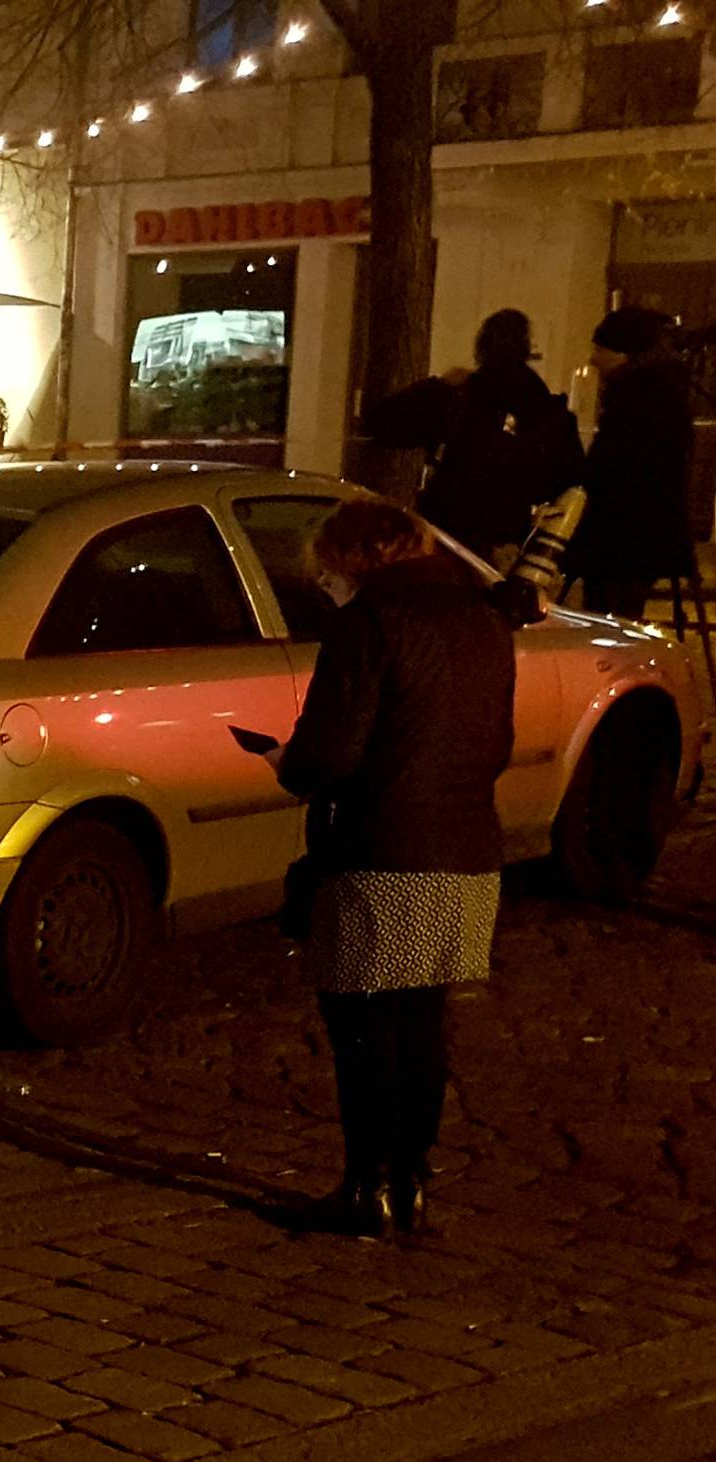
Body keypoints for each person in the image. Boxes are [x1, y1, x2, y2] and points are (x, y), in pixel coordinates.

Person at [269, 501, 517, 1239]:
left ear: (352, 562)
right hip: (468, 849)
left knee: (364, 1025)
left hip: (384, 850)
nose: (326, 586)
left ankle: (366, 1185)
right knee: (421, 1020)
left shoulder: (369, 625)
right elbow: (494, 740)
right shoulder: (484, 621)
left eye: (327, 574)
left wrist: (291, 763)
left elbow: (332, 753)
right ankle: (411, 1179)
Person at [363, 308, 585, 566]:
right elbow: (570, 481)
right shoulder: (546, 408)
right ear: (526, 349)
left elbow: (383, 423)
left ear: (481, 347)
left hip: (447, 530)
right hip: (510, 537)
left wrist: (436, 386)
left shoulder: (458, 396)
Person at [571, 306, 696, 621]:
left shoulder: (634, 401)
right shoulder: (659, 394)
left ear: (623, 353)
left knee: (608, 618)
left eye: (600, 349)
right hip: (650, 536)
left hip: (622, 539)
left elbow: (612, 469)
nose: (593, 359)